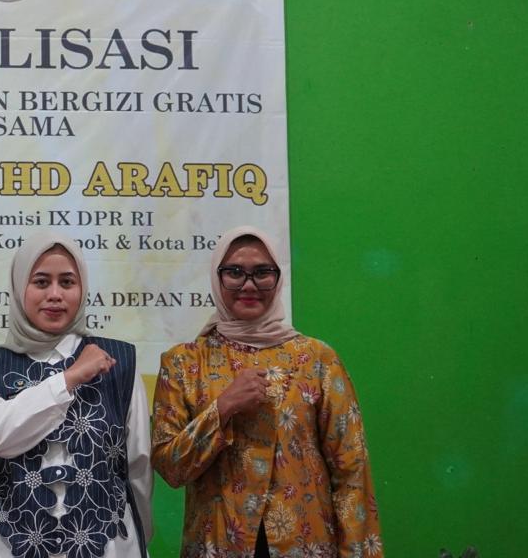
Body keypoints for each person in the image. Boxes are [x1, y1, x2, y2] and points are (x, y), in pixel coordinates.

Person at [152, 226, 383, 558]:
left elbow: (351, 470)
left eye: (262, 273)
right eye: (234, 272)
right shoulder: (184, 363)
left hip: (306, 545)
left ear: (278, 278)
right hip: (217, 544)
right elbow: (171, 468)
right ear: (217, 278)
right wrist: (222, 408)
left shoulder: (317, 360)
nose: (249, 285)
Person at [0, 231, 151, 558]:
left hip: (108, 546)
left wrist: (139, 536)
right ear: (20, 287)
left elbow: (137, 465)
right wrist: (69, 378)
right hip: (5, 547)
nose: (55, 295)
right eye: (41, 282)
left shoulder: (120, 362)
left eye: (68, 282)